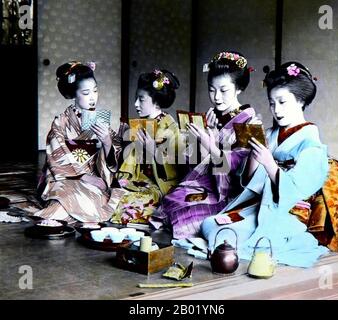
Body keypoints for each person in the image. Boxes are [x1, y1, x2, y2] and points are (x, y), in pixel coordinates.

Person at [201, 62, 330, 268]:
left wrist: (269, 163)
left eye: (282, 102)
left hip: (288, 213)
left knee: (228, 235)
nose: (276, 110)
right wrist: (255, 154)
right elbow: (248, 183)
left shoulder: (311, 145)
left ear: (301, 101)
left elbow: (297, 191)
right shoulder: (270, 134)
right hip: (259, 205)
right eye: (272, 103)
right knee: (210, 224)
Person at [152, 51, 258, 239]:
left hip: (230, 192)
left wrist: (212, 145)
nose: (217, 97)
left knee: (185, 211)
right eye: (211, 89)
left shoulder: (251, 122)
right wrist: (202, 139)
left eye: (224, 90)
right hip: (206, 183)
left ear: (239, 88)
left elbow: (240, 170)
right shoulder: (211, 116)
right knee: (172, 199)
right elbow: (193, 163)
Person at [35, 61, 124, 223]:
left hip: (94, 176)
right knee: (63, 201)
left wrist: (107, 142)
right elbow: (56, 160)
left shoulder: (100, 120)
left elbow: (114, 157)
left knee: (99, 197)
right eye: (86, 92)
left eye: (95, 91)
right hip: (65, 177)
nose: (92, 97)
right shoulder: (61, 122)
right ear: (74, 94)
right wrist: (83, 177)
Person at [110, 69, 181, 225]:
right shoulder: (139, 125)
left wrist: (153, 151)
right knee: (108, 199)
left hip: (158, 186)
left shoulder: (172, 129)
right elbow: (129, 162)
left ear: (156, 102)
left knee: (129, 210)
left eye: (141, 99)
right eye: (136, 98)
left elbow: (175, 171)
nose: (136, 104)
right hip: (137, 180)